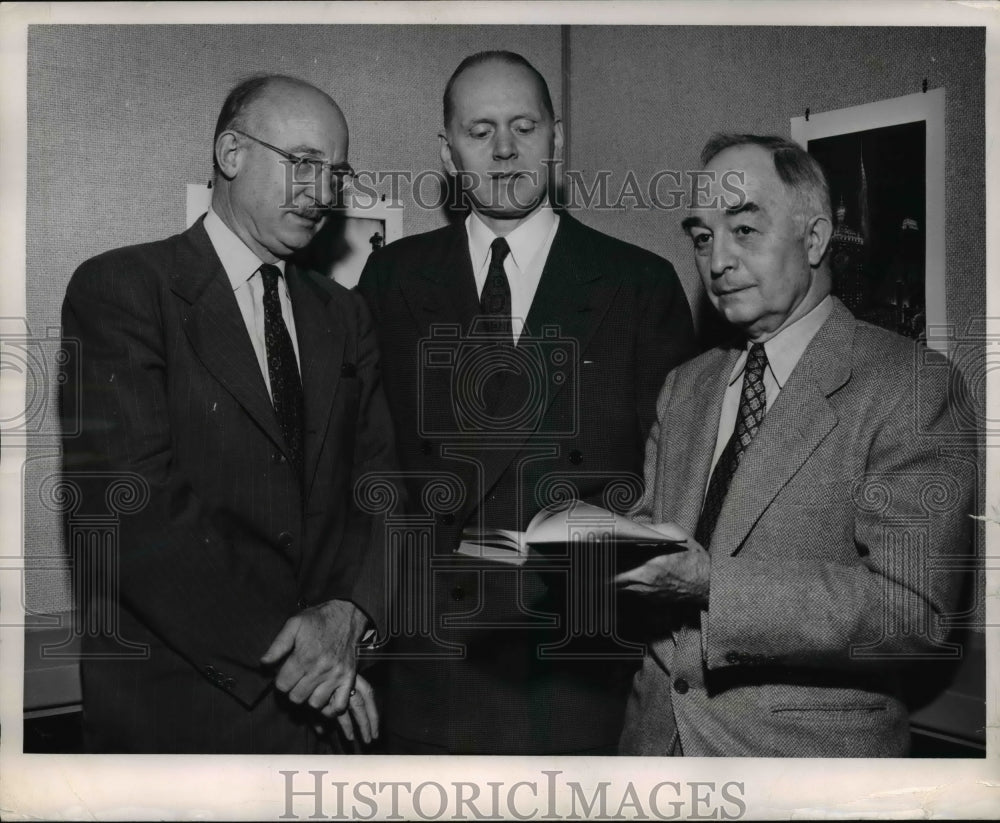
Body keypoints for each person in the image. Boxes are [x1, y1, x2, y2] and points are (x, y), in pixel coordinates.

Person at [356, 51, 695, 754]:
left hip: (576, 662)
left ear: (558, 140)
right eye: (480, 131)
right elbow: (362, 468)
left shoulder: (639, 285)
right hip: (427, 656)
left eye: (524, 126)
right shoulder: (390, 279)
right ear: (446, 152)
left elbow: (674, 489)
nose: (504, 149)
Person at [60, 75, 397, 753]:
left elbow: (384, 485)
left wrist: (350, 613)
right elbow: (130, 503)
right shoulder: (124, 288)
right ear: (232, 153)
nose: (320, 193)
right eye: (302, 164)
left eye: (334, 173)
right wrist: (300, 655)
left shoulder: (345, 313)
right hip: (183, 718)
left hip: (328, 713)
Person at [615, 133, 975, 757]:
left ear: (814, 240)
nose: (717, 261)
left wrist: (711, 585)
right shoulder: (687, 386)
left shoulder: (910, 385)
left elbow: (916, 611)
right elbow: (655, 533)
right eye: (702, 238)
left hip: (800, 769)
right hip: (653, 755)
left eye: (744, 230)